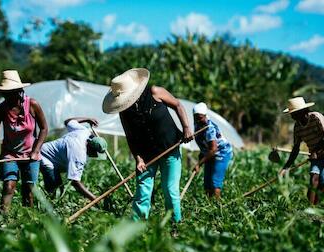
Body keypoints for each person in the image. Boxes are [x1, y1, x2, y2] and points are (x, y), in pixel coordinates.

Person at [102, 68, 192, 223]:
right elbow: (130, 136)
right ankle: (137, 228)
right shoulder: (124, 111)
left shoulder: (155, 92)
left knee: (170, 191)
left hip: (170, 148)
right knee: (143, 193)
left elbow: (177, 105)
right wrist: (138, 158)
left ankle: (175, 226)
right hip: (146, 156)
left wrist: (186, 128)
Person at [0, 70, 48, 212]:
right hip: (10, 153)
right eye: (4, 93)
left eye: (9, 92)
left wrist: (36, 151)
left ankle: (27, 221)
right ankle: (2, 218)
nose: (6, 96)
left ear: (18, 91)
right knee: (8, 186)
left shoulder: (32, 105)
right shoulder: (1, 108)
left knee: (28, 191)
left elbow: (44, 129)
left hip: (31, 154)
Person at [40, 117, 107, 201]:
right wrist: (94, 199)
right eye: (95, 154)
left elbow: (68, 121)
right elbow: (74, 182)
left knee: (59, 191)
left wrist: (86, 119)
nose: (94, 157)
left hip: (51, 154)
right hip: (46, 157)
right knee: (55, 192)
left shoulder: (84, 132)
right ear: (90, 148)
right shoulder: (79, 154)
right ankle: (47, 210)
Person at [280, 97, 324, 205]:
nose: (292, 116)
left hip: (319, 152)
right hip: (316, 157)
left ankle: (316, 208)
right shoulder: (297, 127)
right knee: (314, 179)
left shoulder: (316, 117)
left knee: (322, 182)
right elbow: (295, 148)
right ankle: (310, 210)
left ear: (302, 111)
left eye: (294, 113)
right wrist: (286, 167)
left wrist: (316, 150)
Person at [192, 102, 233, 198]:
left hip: (221, 153)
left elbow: (213, 149)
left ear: (205, 116)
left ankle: (217, 209)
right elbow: (204, 146)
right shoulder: (197, 125)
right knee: (207, 183)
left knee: (215, 183)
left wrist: (199, 164)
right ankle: (209, 204)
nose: (198, 119)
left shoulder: (210, 129)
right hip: (210, 154)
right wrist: (201, 156)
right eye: (196, 117)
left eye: (200, 117)